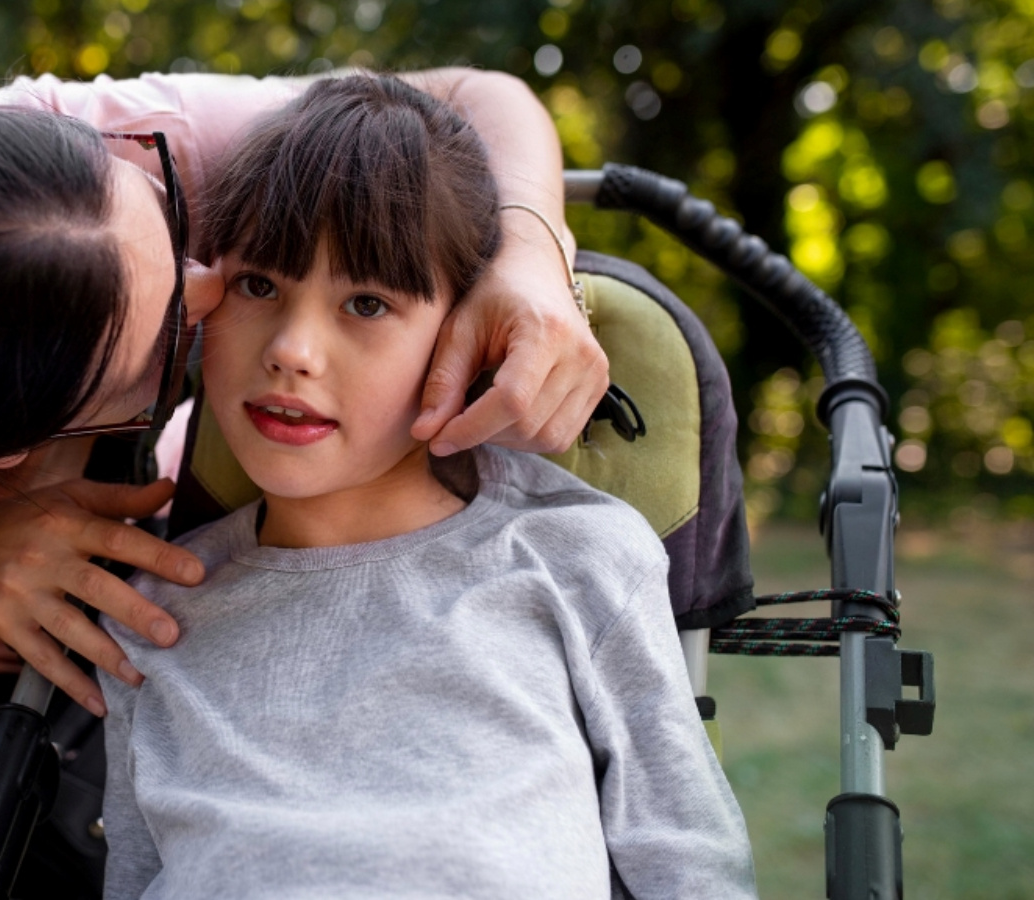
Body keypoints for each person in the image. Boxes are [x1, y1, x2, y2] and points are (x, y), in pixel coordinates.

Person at [0, 68, 608, 900]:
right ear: (8, 457)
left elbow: (475, 95)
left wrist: (530, 250)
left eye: (181, 240)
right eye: (178, 324)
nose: (219, 289)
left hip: (138, 641)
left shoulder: (122, 151)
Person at [97, 74, 758, 899]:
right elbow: (131, 873)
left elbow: (687, 859)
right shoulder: (151, 615)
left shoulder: (572, 555)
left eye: (366, 304)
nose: (294, 349)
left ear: (467, 337)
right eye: (259, 286)